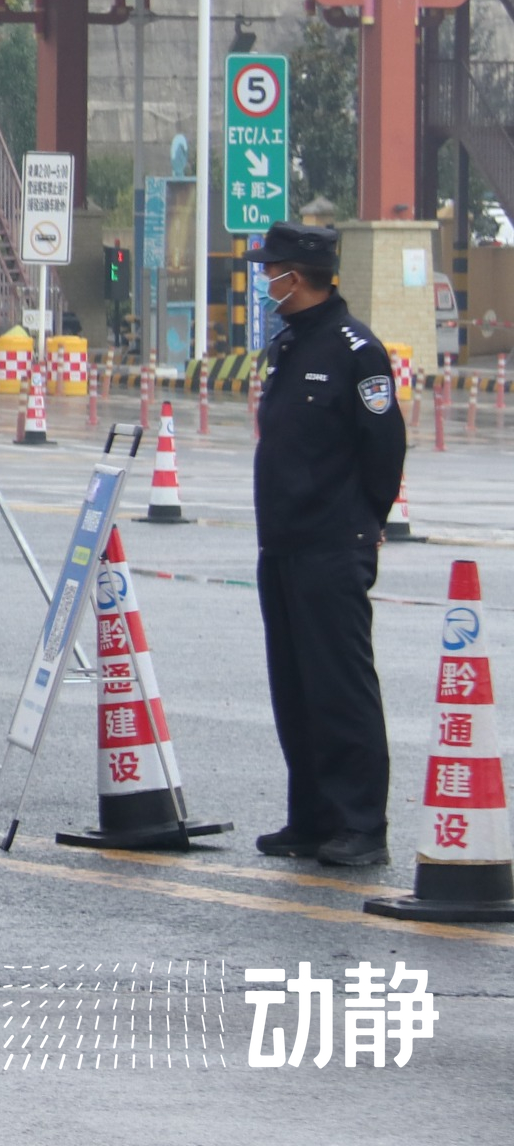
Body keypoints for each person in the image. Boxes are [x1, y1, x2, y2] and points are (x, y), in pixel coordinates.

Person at [247, 219, 406, 868]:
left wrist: (363, 522)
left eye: (272, 271)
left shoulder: (355, 349)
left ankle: (360, 824)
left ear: (298, 276)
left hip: (333, 542)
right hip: (283, 541)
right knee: (295, 686)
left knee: (340, 686)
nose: (266, 280)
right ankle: (311, 817)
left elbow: (384, 448)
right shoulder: (290, 344)